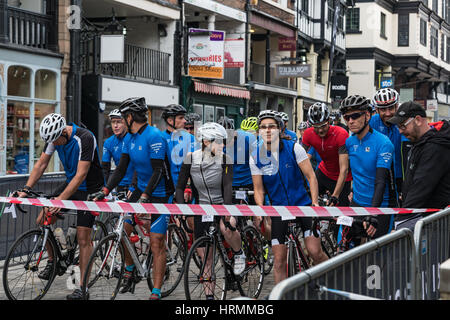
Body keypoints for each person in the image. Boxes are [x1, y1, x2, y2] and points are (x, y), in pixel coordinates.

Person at [89, 97, 174, 300]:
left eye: (122, 117)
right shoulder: (129, 138)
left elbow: (157, 171)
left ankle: (156, 290)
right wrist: (106, 190)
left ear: (129, 117)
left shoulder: (154, 136)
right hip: (141, 188)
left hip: (160, 193)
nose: (120, 121)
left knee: (156, 242)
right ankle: (129, 269)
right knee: (124, 228)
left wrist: (145, 196)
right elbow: (121, 169)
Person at [15, 113, 104, 300]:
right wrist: (25, 189)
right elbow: (41, 164)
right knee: (42, 219)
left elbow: (81, 175)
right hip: (71, 183)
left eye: (56, 141)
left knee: (83, 237)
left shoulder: (85, 138)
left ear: (63, 132)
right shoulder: (54, 138)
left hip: (89, 188)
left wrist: (59, 200)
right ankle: (53, 260)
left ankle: (82, 288)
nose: (54, 144)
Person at [250, 110, 328, 284]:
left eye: (271, 126)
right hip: (279, 209)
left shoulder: (294, 148)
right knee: (279, 261)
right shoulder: (255, 156)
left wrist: (314, 203)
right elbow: (258, 189)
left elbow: (311, 177)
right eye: (263, 127)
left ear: (280, 128)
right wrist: (261, 211)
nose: (267, 130)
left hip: (303, 205)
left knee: (314, 251)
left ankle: (331, 278)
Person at [175, 122, 246, 299]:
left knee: (226, 227)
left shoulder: (225, 159)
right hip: (203, 207)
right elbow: (179, 187)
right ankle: (209, 297)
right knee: (205, 258)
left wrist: (227, 211)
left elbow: (228, 186)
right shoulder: (190, 158)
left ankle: (239, 253)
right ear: (206, 142)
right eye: (220, 141)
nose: (223, 145)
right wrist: (182, 210)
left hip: (223, 202)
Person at [340, 95, 397, 239]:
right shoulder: (349, 142)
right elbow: (353, 172)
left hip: (381, 206)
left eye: (355, 116)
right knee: (343, 247)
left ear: (367, 115)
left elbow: (380, 181)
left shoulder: (383, 143)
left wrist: (373, 213)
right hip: (357, 202)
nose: (350, 121)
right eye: (347, 118)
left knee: (377, 255)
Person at [386, 101, 450, 231]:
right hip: (426, 218)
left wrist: (401, 221)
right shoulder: (420, 142)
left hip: (436, 223)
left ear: (418, 120)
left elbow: (422, 185)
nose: (400, 131)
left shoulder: (435, 147)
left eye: (403, 126)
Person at [301, 103, 352, 206]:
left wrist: (335, 195)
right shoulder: (308, 134)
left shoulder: (341, 134)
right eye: (316, 127)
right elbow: (300, 160)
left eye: (323, 125)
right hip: (324, 172)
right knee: (307, 201)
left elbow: (344, 169)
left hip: (342, 177)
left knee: (341, 214)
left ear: (329, 121)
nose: (320, 130)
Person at [371, 88, 410, 200]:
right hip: (379, 174)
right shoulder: (372, 122)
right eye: (383, 109)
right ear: (377, 109)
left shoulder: (403, 122)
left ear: (397, 106)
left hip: (400, 175)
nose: (388, 113)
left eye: (391, 108)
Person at [218, 116, 257, 205]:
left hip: (249, 180)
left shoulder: (248, 138)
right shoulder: (219, 144)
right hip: (231, 181)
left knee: (257, 212)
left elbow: (258, 160)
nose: (225, 144)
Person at [101, 109, 135, 197]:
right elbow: (105, 168)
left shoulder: (132, 138)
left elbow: (140, 164)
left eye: (119, 122)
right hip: (119, 183)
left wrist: (134, 186)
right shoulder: (108, 142)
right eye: (113, 122)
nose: (115, 126)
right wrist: (104, 187)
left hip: (135, 184)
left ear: (125, 123)